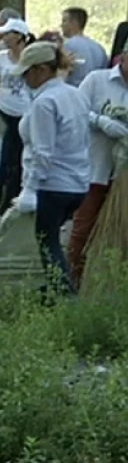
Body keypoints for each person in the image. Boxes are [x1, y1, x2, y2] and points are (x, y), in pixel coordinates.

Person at [8, 42, 91, 296]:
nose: (24, 79)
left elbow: (43, 152)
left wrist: (31, 189)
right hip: (78, 183)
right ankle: (54, 288)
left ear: (42, 70)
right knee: (54, 239)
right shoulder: (75, 94)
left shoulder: (45, 102)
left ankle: (64, 295)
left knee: (47, 243)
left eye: (27, 73)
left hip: (52, 184)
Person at [71, 54, 128, 288]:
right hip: (96, 167)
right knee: (82, 227)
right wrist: (101, 121)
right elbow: (77, 110)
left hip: (124, 174)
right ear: (123, 57)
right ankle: (72, 280)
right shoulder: (97, 80)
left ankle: (115, 284)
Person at [0, 18, 33, 218]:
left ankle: (12, 200)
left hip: (25, 113)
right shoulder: (1, 58)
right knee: (3, 159)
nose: (4, 37)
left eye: (8, 33)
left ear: (20, 37)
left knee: (20, 159)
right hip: (3, 112)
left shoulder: (31, 57)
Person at [61, 7, 108, 88]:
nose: (61, 25)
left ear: (74, 23)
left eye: (64, 21)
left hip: (73, 92)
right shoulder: (100, 48)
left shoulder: (67, 46)